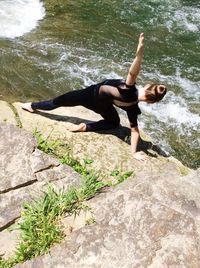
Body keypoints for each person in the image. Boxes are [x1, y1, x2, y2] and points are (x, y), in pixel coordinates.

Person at [21, 33, 167, 162]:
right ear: (151, 102)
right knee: (114, 123)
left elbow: (133, 73)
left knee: (57, 102)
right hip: (102, 106)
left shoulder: (129, 90)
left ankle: (31, 106)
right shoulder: (133, 108)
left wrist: (139, 54)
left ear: (147, 87)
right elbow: (135, 131)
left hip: (88, 96)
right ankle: (86, 127)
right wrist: (134, 152)